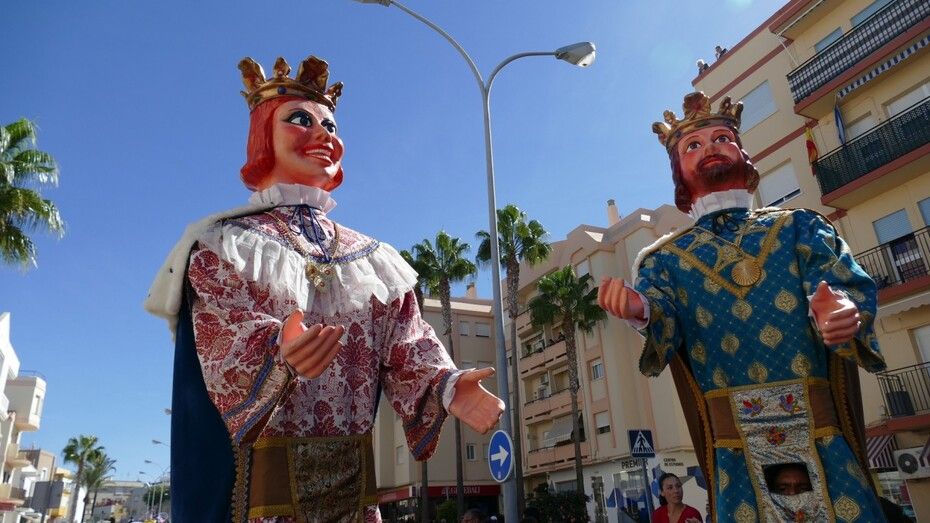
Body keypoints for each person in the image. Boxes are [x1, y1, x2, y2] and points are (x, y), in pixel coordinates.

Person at [145, 54, 504, 522]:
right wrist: (276, 350)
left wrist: (447, 384)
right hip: (262, 499)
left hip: (355, 496)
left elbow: (407, 342)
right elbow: (221, 335)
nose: (324, 135)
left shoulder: (374, 258)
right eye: (300, 120)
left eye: (330, 125)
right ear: (263, 136)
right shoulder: (225, 244)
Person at [598, 91, 887, 521]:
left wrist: (843, 310)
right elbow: (662, 318)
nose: (710, 148)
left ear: (742, 152)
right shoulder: (664, 260)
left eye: (722, 138)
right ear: (678, 170)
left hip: (819, 429)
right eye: (693, 146)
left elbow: (842, 284)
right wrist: (640, 308)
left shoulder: (800, 226)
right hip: (733, 446)